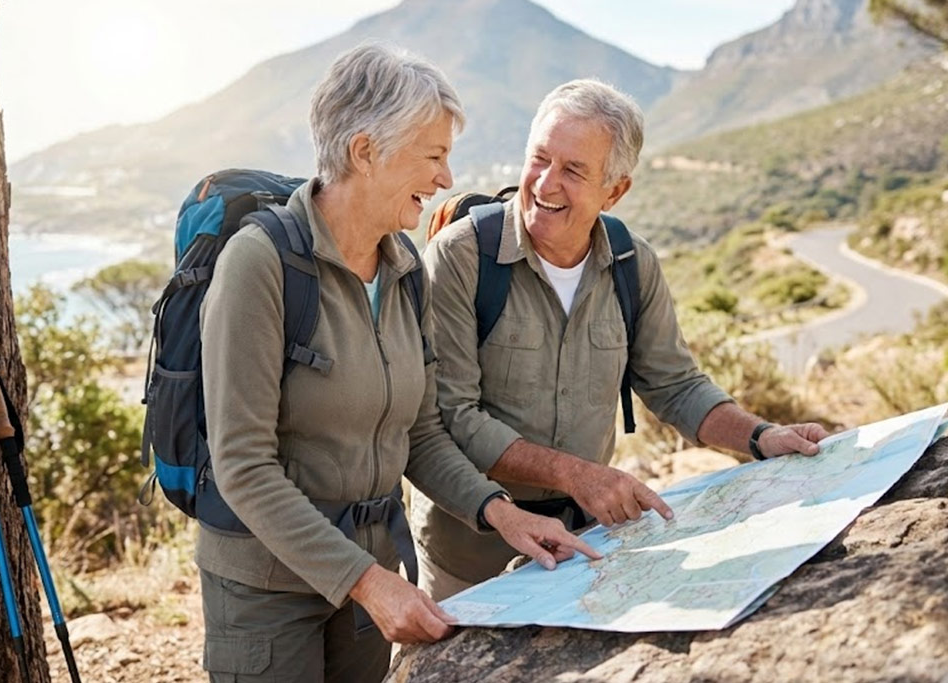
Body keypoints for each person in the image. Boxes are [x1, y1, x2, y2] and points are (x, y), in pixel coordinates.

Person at [197, 44, 599, 683]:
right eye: (433, 156)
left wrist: (503, 513)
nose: (446, 179)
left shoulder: (405, 268)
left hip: (371, 570)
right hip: (268, 592)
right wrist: (367, 582)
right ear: (364, 151)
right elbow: (243, 466)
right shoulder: (259, 265)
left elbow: (422, 433)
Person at [412, 78, 830, 601]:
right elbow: (454, 415)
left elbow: (676, 386)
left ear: (615, 191)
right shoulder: (460, 258)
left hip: (583, 542)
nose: (545, 184)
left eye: (573, 170)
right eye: (539, 159)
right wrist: (578, 476)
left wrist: (761, 436)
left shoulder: (633, 264)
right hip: (469, 551)